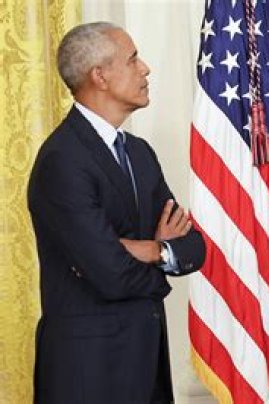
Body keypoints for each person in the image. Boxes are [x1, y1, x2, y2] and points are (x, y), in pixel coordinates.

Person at [28, 22, 206, 404]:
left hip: (147, 370)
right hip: (88, 375)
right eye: (133, 59)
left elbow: (193, 246)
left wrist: (148, 250)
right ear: (100, 75)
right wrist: (158, 256)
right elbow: (110, 274)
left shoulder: (139, 153)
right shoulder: (62, 160)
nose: (145, 69)